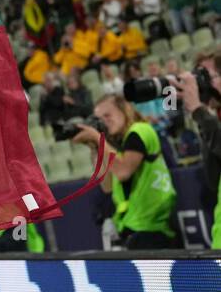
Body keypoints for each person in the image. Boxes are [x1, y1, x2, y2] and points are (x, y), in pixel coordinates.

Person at [72, 95, 179, 249]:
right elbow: (107, 186)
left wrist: (98, 139)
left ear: (124, 111)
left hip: (152, 227)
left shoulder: (140, 130)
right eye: (99, 119)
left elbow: (123, 172)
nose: (104, 121)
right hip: (134, 226)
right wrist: (95, 147)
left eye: (108, 115)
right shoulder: (117, 145)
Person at [171, 48, 221, 248]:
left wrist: (200, 112)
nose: (203, 84)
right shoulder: (213, 120)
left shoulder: (209, 120)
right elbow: (213, 179)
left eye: (208, 77)